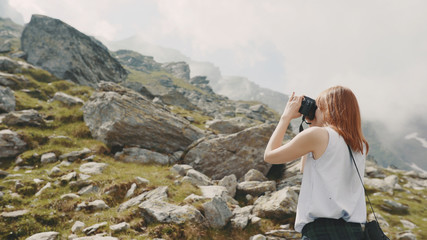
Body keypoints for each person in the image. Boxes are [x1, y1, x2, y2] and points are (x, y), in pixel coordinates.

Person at [264, 86, 368, 240]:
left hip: (321, 232)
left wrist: (285, 118)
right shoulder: (360, 145)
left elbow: (270, 156)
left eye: (318, 107)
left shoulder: (318, 135)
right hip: (354, 232)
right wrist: (314, 124)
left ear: (328, 108)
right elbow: (305, 168)